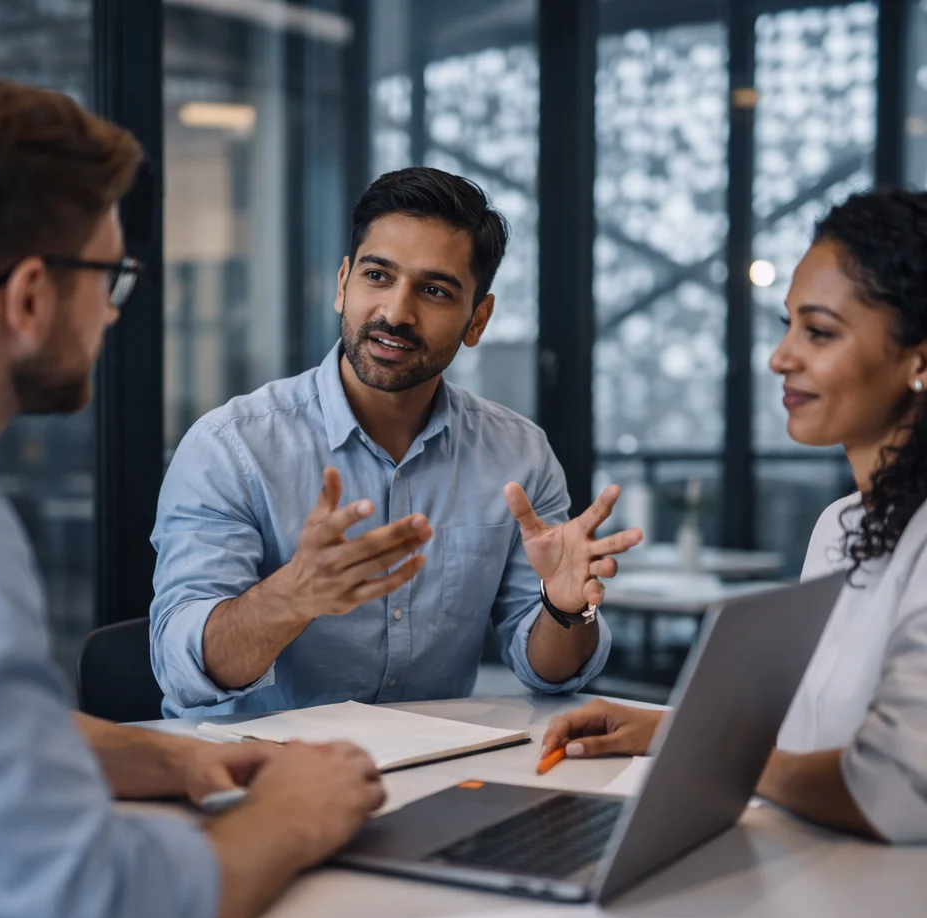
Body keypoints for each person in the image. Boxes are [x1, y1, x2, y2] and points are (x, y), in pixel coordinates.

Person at [0, 69, 385, 918]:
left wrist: (172, 762)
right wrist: (289, 823)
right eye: (109, 276)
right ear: (33, 294)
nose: (117, 310)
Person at [150, 167, 642, 717]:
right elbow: (180, 669)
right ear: (343, 284)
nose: (396, 313)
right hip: (251, 775)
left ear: (477, 319)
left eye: (434, 290)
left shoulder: (519, 457)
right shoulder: (230, 447)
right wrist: (291, 597)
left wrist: (565, 610)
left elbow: (551, 675)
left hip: (432, 773)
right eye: (377, 276)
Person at [540, 188, 927, 844]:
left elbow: (892, 788)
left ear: (918, 358)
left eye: (820, 332)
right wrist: (666, 730)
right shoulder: (839, 526)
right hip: (812, 875)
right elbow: (811, 733)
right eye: (787, 326)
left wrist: (709, 756)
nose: (781, 358)